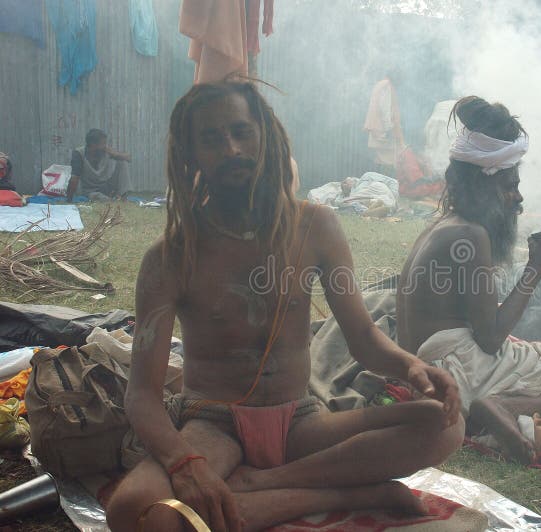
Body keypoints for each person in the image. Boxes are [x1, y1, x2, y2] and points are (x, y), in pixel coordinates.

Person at [105, 80, 463, 532]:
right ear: (191, 154)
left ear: (265, 136)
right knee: (131, 514)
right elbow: (142, 395)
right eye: (212, 139)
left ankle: (264, 484)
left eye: (241, 131)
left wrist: (411, 367)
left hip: (301, 421)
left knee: (444, 423)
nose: (232, 148)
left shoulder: (316, 226)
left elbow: (364, 338)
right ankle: (348, 493)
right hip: (214, 425)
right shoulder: (170, 257)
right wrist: (184, 464)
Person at [396, 96, 541, 464]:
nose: (517, 198)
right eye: (509, 186)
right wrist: (538, 266)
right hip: (456, 372)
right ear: (483, 185)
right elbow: (489, 339)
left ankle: (498, 403)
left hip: (431, 371)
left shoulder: (445, 226)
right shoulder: (471, 236)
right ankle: (501, 405)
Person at [67, 129, 132, 202]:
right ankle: (111, 200)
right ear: (93, 144)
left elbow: (129, 158)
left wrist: (116, 155)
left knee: (122, 162)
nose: (105, 145)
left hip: (106, 186)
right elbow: (74, 179)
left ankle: (123, 197)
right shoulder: (79, 154)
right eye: (103, 143)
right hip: (90, 191)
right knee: (99, 197)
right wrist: (69, 200)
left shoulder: (106, 150)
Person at [363, 73, 405, 175]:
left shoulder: (380, 85)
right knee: (389, 161)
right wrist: (389, 128)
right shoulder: (387, 86)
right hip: (384, 132)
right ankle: (385, 187)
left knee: (380, 159)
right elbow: (385, 109)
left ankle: (378, 186)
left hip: (377, 130)